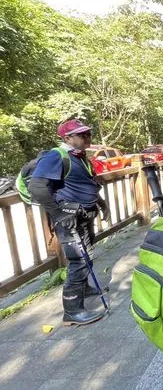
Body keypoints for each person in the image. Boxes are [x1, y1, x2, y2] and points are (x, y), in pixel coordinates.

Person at [29, 119, 110, 326]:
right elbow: (37, 187)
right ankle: (72, 311)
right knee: (79, 261)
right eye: (82, 135)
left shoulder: (80, 157)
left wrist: (101, 204)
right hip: (69, 219)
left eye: (88, 133)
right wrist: (59, 215)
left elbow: (87, 183)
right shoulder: (56, 156)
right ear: (67, 138)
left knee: (88, 254)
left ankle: (84, 288)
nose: (88, 137)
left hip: (84, 215)